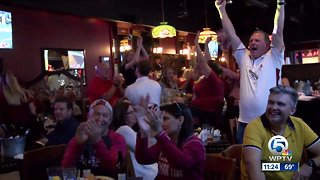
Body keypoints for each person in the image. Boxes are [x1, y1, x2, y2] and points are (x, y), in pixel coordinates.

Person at [215, 0, 285, 143]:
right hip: (245, 123)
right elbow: (231, 34)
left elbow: (278, 32)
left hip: (269, 121)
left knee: (271, 162)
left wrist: (280, 6)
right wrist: (221, 9)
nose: (252, 42)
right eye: (251, 40)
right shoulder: (243, 56)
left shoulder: (274, 57)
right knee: (246, 164)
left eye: (257, 41)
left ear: (267, 45)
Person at [241, 85, 320, 180]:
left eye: (280, 104)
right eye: (271, 103)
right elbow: (253, 168)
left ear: (292, 110)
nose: (274, 107)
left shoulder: (299, 125)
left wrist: (310, 164)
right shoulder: (255, 127)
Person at [135, 95, 205, 179]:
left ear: (180, 120)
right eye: (160, 118)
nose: (160, 123)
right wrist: (143, 133)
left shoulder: (195, 144)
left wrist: (160, 134)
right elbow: (143, 159)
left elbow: (180, 163)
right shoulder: (165, 142)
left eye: (165, 119)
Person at [61, 99, 127, 178]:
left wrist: (97, 141)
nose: (100, 119)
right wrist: (77, 144)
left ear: (110, 120)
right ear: (88, 116)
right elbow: (65, 168)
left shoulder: (118, 138)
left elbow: (114, 167)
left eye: (105, 115)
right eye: (97, 114)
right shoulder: (79, 137)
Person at [112, 98, 158, 179]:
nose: (134, 114)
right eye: (130, 112)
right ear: (123, 117)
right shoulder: (123, 130)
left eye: (134, 110)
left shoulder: (126, 130)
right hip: (147, 175)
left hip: (149, 171)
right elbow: (148, 150)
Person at [190, 32, 225, 128]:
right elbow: (206, 60)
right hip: (201, 112)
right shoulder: (208, 79)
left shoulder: (213, 79)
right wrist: (206, 44)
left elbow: (202, 62)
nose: (202, 68)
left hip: (206, 115)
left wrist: (196, 43)